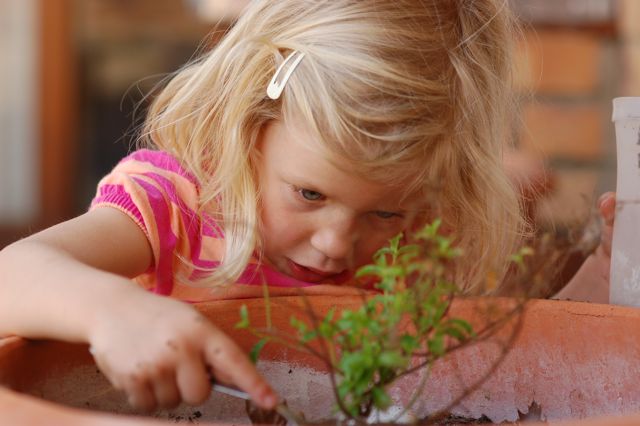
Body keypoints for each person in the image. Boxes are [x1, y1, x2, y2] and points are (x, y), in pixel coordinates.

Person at [0, 0, 614, 414]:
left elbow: (487, 373)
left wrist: (594, 288)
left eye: (384, 213)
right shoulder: (177, 207)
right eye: (310, 194)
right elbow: (13, 277)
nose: (336, 243)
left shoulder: (419, 237)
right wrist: (114, 312)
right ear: (251, 125)